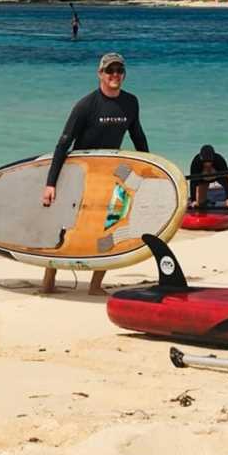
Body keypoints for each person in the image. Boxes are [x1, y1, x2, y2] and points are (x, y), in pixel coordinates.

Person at [40, 52, 149, 295]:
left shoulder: (131, 102)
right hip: (82, 174)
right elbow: (63, 145)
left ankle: (96, 286)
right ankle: (48, 282)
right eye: (110, 70)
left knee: (111, 227)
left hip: (112, 174)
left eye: (119, 70)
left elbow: (138, 136)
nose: (115, 75)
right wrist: (51, 184)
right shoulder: (86, 105)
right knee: (67, 226)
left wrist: (150, 169)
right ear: (100, 74)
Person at [188, 144, 228, 212]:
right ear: (201, 158)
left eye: (209, 161)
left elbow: (226, 181)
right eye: (205, 162)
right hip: (203, 179)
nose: (207, 164)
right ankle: (206, 203)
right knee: (200, 202)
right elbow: (193, 183)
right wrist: (193, 200)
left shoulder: (219, 159)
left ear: (213, 158)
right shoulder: (195, 162)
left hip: (220, 175)